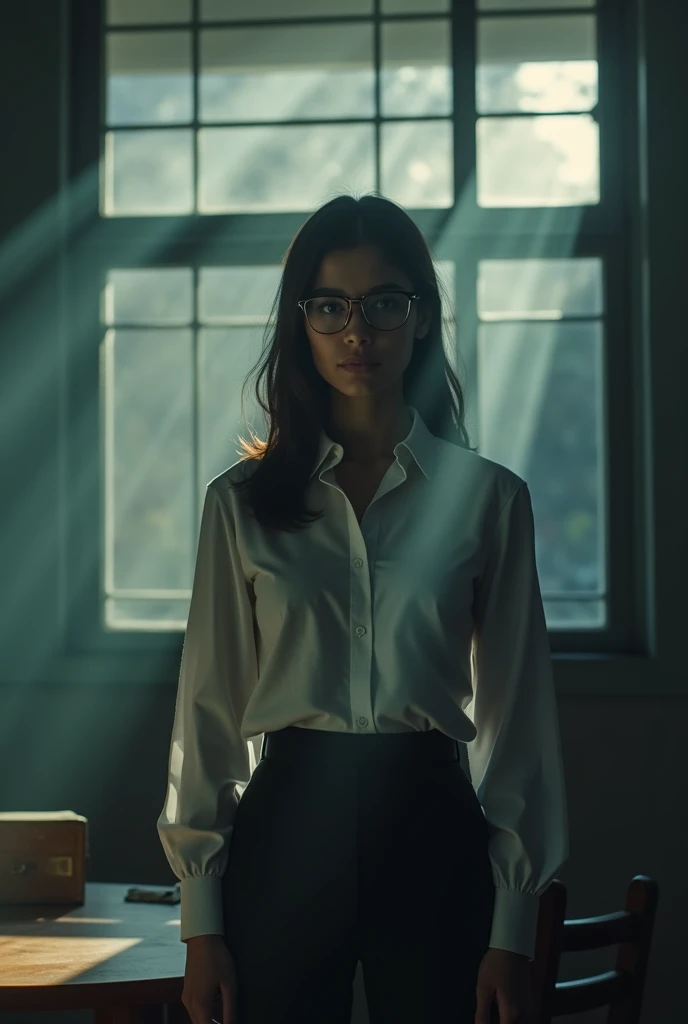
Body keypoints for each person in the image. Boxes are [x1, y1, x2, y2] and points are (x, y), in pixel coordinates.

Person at [157, 193, 569, 1024]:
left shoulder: (488, 499)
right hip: (282, 829)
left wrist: (512, 928)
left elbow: (518, 718)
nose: (357, 331)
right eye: (329, 306)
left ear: (420, 316)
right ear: (300, 325)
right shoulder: (239, 503)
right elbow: (207, 713)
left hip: (432, 824)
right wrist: (200, 923)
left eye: (384, 302)